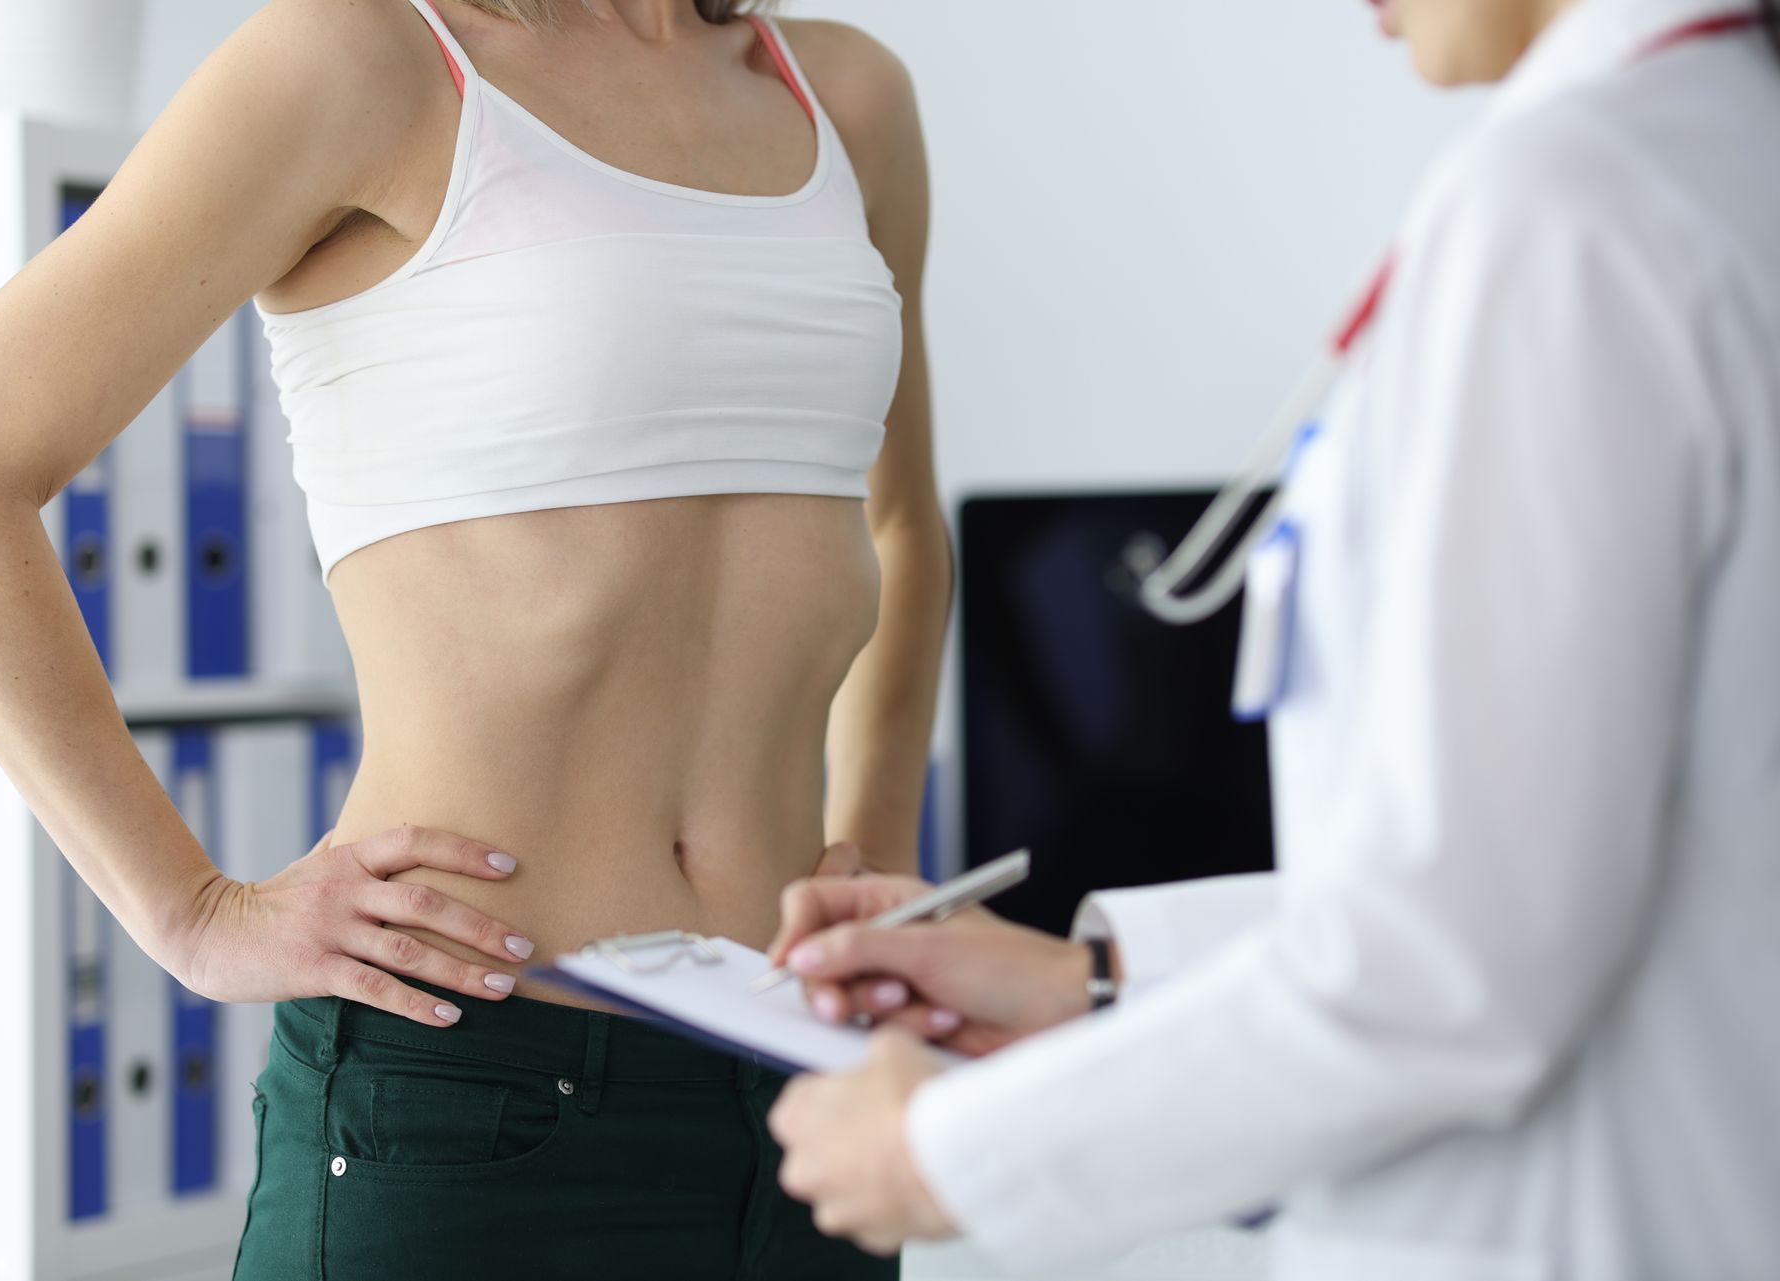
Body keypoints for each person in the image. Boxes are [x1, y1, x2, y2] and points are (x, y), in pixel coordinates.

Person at [0, 0, 944, 1276]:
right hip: (467, 1079)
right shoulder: (363, 58)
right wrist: (194, 915)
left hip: (800, 1080)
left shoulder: (844, 95)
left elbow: (900, 524)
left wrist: (879, 858)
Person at [759, 0, 1780, 1276]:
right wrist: (1103, 977)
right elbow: (1571, 876)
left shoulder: (1570, 207)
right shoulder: (1720, 150)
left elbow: (1452, 970)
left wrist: (947, 1152)